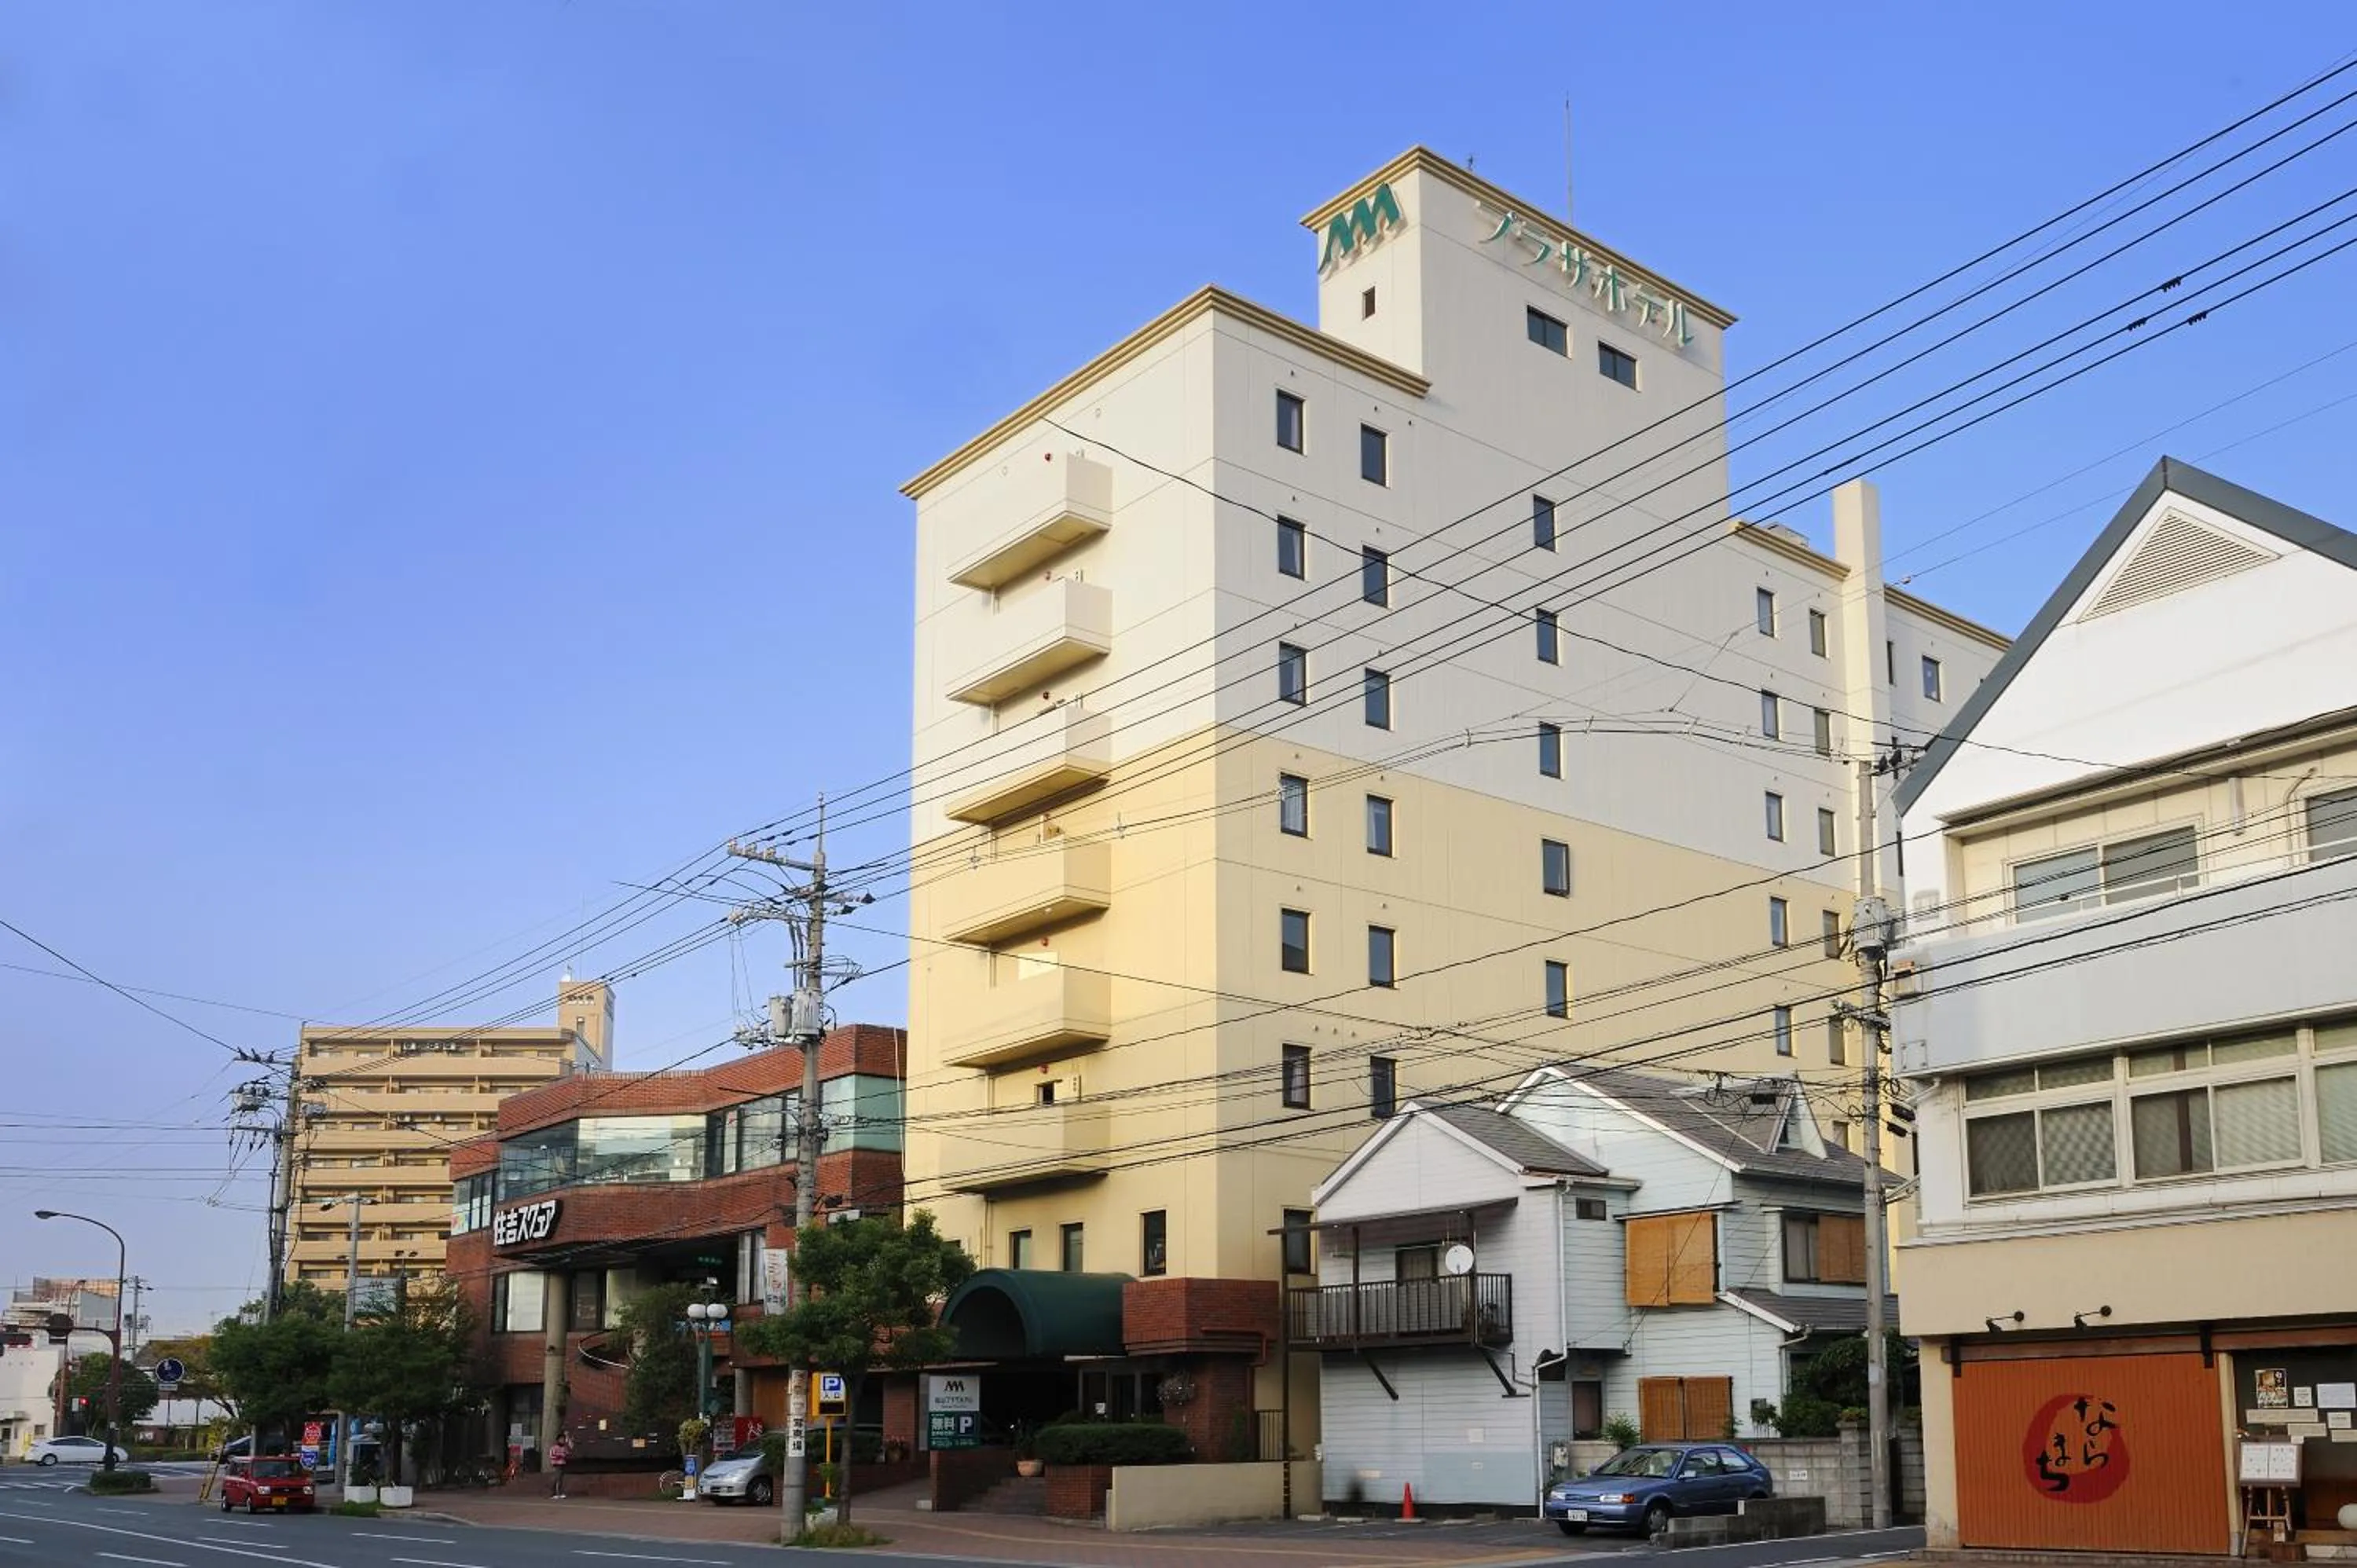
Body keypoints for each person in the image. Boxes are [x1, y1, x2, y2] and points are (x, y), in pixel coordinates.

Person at [548, 1432, 573, 1498]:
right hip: (556, 1464)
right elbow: (552, 1456)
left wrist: (568, 1438)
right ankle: (554, 1493)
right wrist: (560, 1456)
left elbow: (569, 1450)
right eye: (561, 1439)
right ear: (558, 1440)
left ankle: (558, 1493)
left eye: (563, 1439)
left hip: (562, 1464)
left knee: (560, 1479)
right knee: (557, 1478)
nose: (562, 1441)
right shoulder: (554, 1448)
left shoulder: (564, 1448)